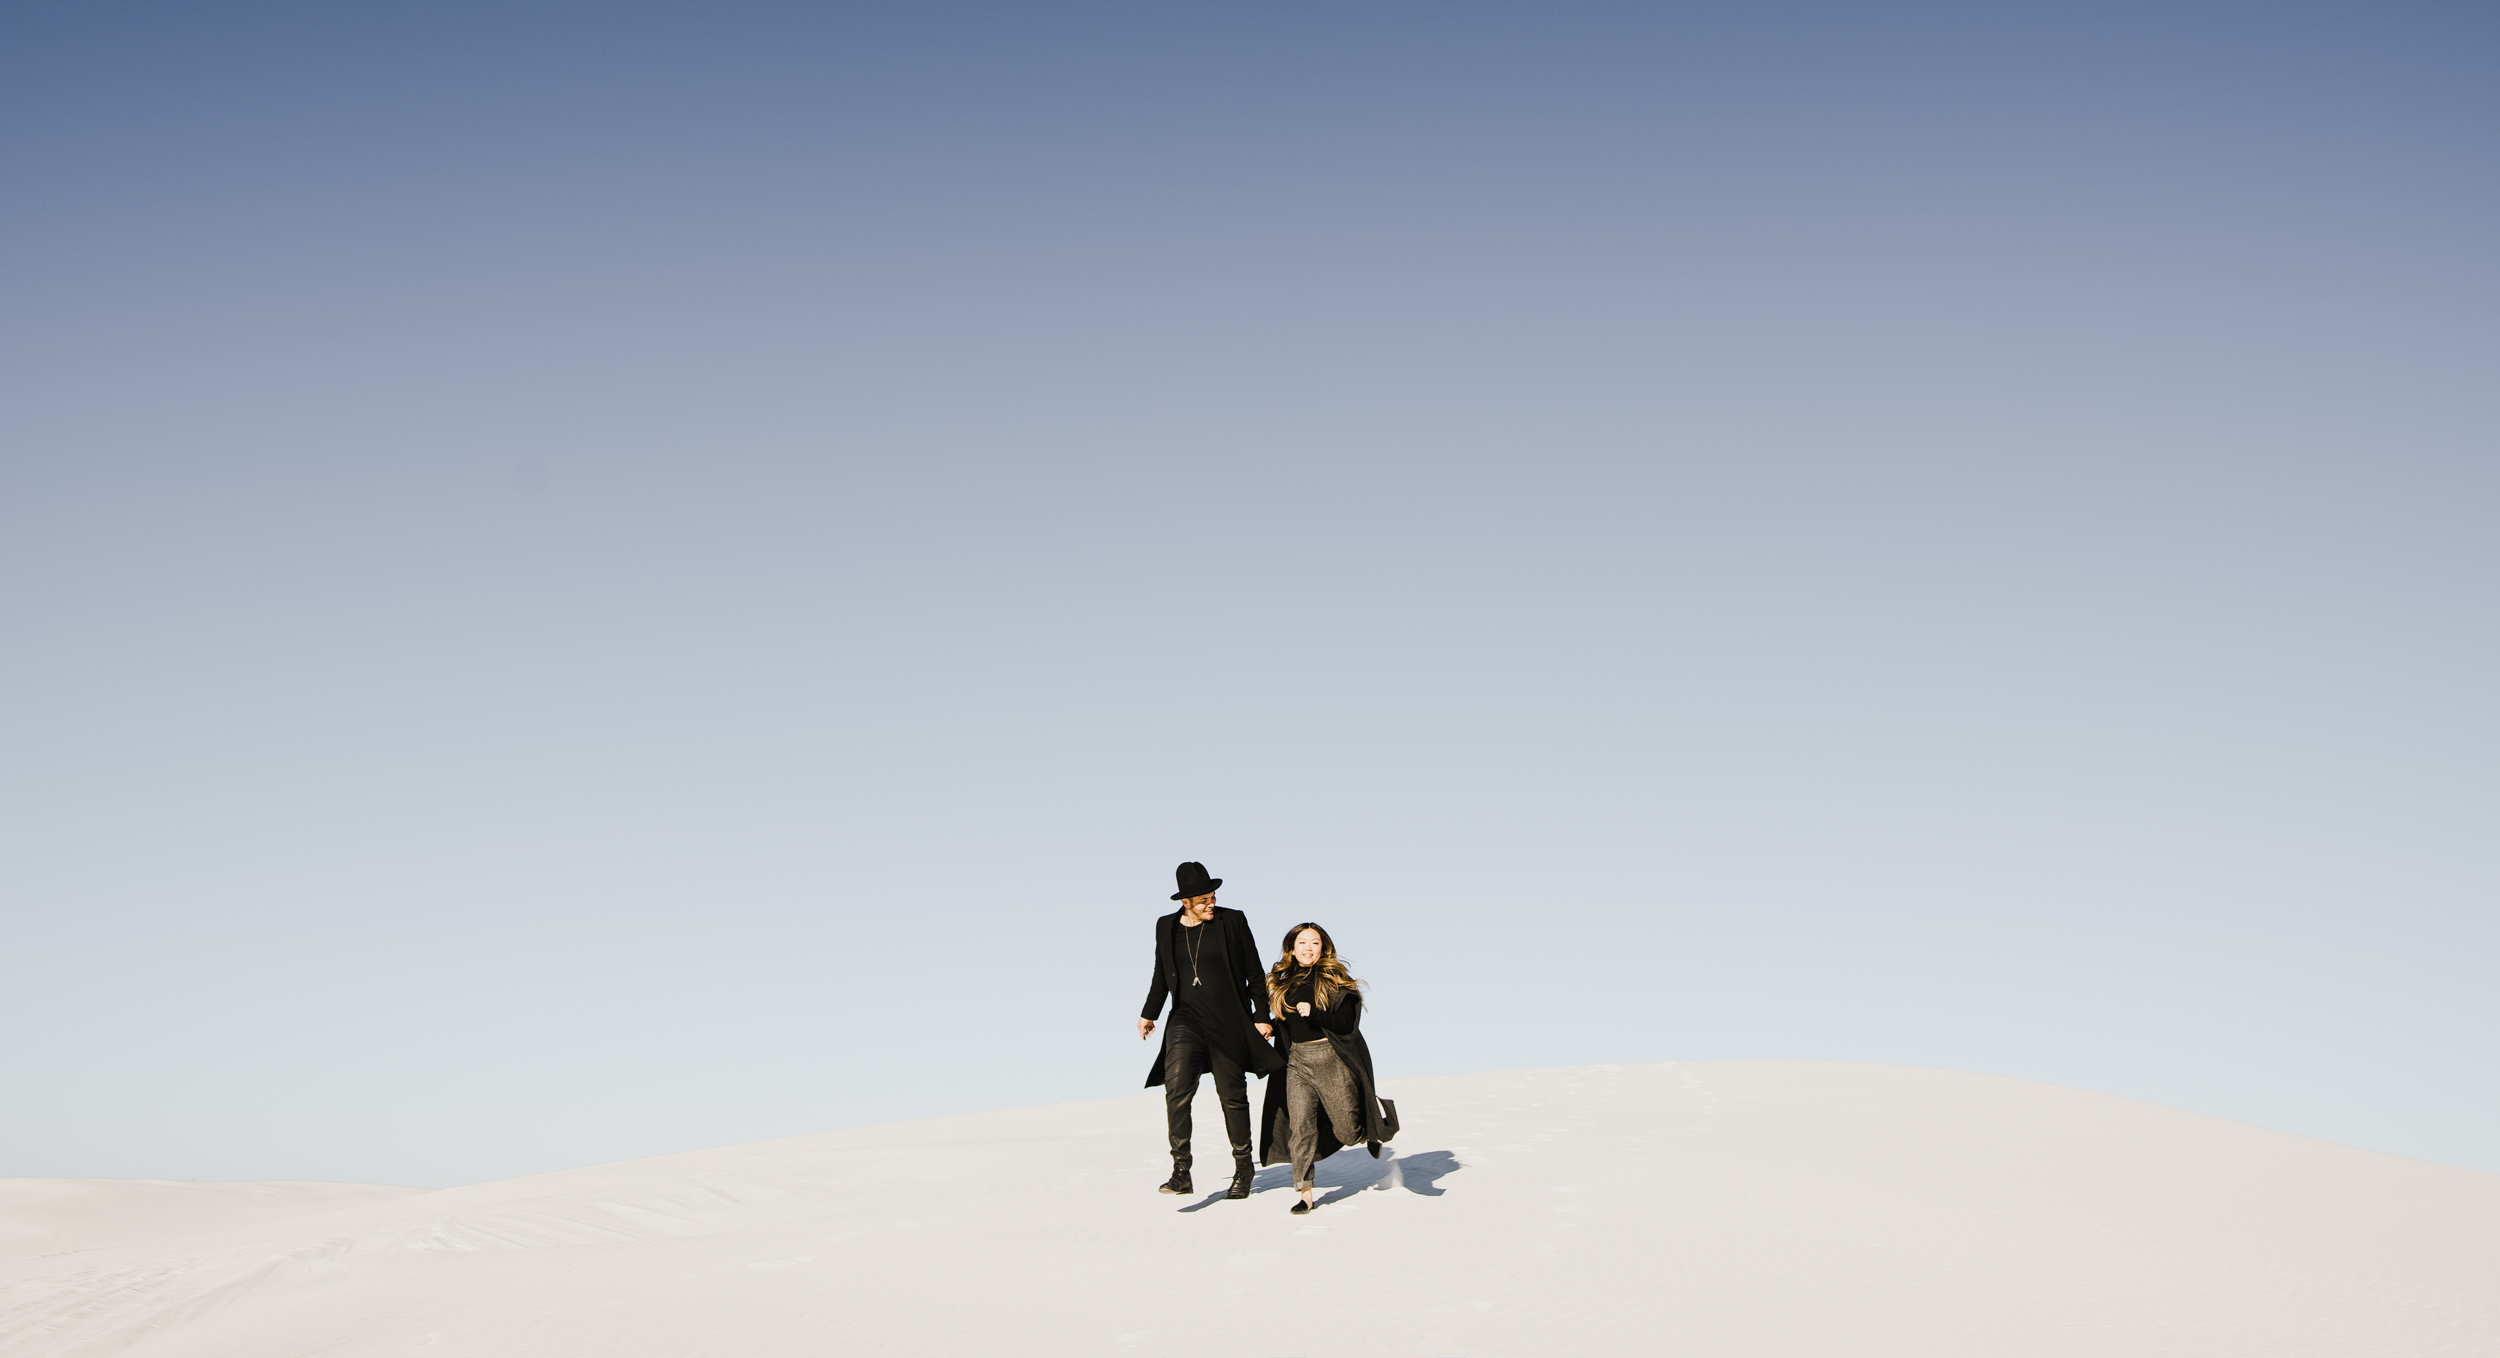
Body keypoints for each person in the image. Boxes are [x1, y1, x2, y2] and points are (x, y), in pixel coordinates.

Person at [1139, 862, 1283, 1200]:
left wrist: (1261, 1016)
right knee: (1176, 1088)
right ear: (1186, 901)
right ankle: (1181, 1171)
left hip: (1228, 1021)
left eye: (1213, 897)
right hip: (1185, 1019)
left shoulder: (1232, 921)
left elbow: (1253, 970)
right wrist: (1149, 1013)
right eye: (1203, 899)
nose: (1211, 904)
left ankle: (1244, 1167)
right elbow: (1162, 972)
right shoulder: (1166, 927)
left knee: (1232, 1095)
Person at [1256, 922, 1397, 1214]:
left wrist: (1317, 1014)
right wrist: (1269, 1027)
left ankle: (1371, 1129)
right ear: (1292, 950)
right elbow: (1286, 1022)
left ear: (1323, 949)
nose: (1308, 948)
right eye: (1302, 943)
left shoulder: (1335, 981)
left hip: (1331, 1059)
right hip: (1297, 1063)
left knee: (1347, 1132)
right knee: (1300, 1127)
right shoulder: (1282, 983)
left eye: (1315, 943)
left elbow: (1347, 1024)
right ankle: (1304, 1192)